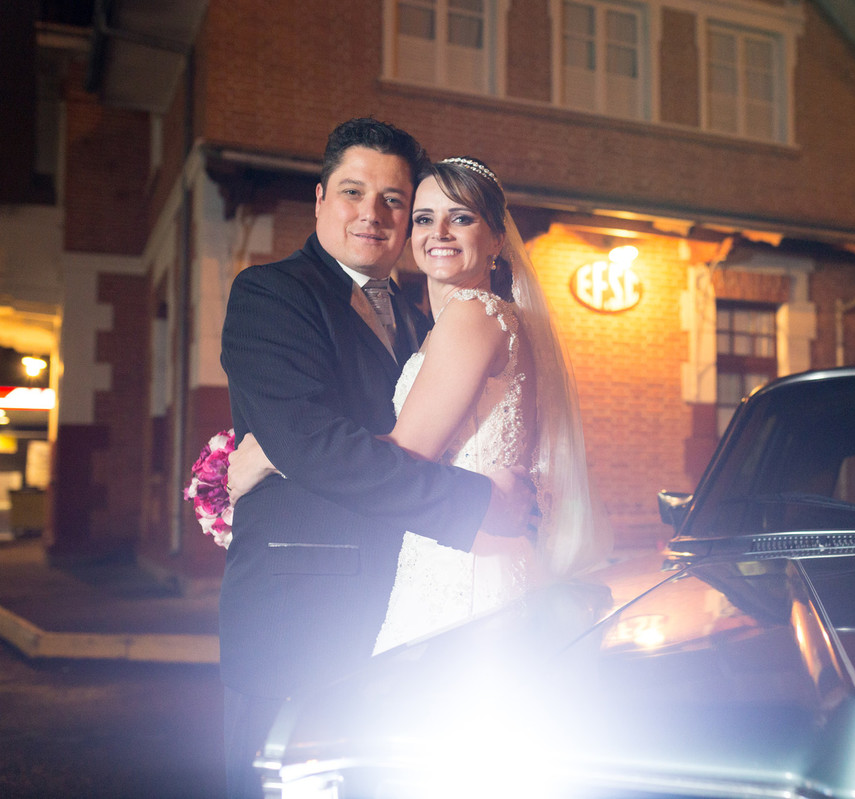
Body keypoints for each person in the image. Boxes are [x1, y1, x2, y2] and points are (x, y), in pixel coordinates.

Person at [218, 119, 534, 799]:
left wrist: (274, 453)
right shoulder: (271, 295)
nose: (373, 213)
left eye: (394, 200)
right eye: (353, 192)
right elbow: (313, 440)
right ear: (320, 200)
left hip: (406, 607)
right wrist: (476, 501)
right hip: (301, 611)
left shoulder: (432, 321)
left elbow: (338, 437)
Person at [231, 155, 608, 652]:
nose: (440, 232)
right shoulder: (450, 323)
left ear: (497, 239)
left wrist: (273, 453)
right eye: (425, 219)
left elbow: (405, 452)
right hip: (460, 546)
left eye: (463, 218)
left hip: (462, 563)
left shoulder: (471, 315)